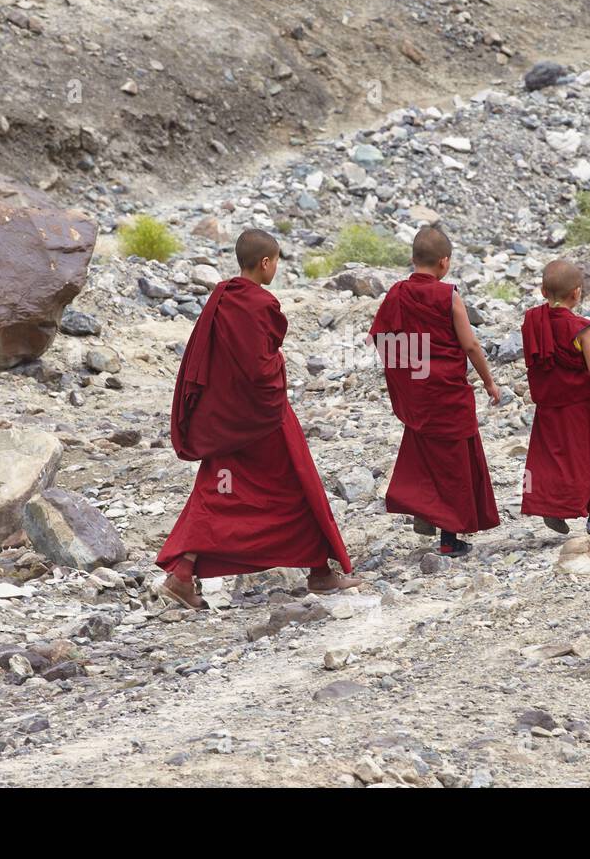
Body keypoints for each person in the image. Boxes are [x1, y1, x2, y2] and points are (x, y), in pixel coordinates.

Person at [157, 229, 358, 608]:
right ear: (266, 263)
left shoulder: (222, 297)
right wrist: (279, 372)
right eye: (277, 261)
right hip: (262, 419)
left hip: (224, 418)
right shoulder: (258, 303)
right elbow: (261, 368)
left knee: (220, 491)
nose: (277, 268)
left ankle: (183, 573)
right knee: (297, 487)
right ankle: (320, 573)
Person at [369, 225, 500, 557]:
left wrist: (408, 379)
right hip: (448, 393)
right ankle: (448, 538)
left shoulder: (396, 293)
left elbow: (383, 339)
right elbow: (469, 344)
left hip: (419, 394)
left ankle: (424, 510)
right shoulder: (448, 295)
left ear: (413, 259)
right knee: (454, 463)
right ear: (445, 262)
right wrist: (488, 381)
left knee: (424, 458)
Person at [520, 259, 590, 534]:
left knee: (552, 459)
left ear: (543, 291)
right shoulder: (581, 328)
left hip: (550, 407)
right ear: (577, 293)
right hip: (582, 407)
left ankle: (551, 506)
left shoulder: (533, 321)